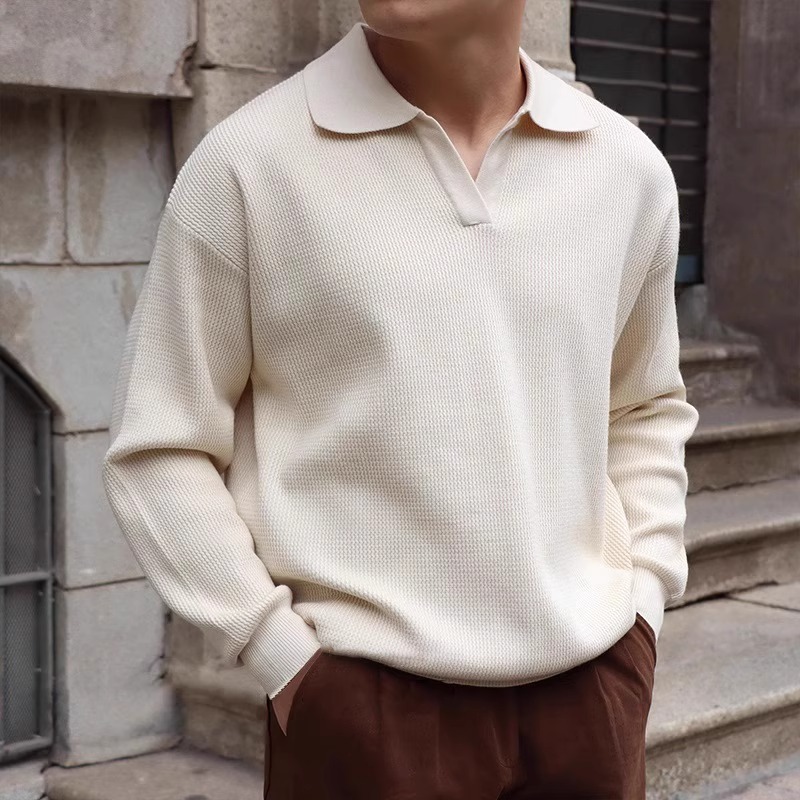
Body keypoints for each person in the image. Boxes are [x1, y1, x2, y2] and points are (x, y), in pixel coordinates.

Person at [102, 1, 700, 797]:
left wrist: (643, 608)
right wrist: (284, 659)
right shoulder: (250, 163)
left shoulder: (626, 171)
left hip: (589, 701)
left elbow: (643, 407)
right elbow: (161, 447)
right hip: (364, 714)